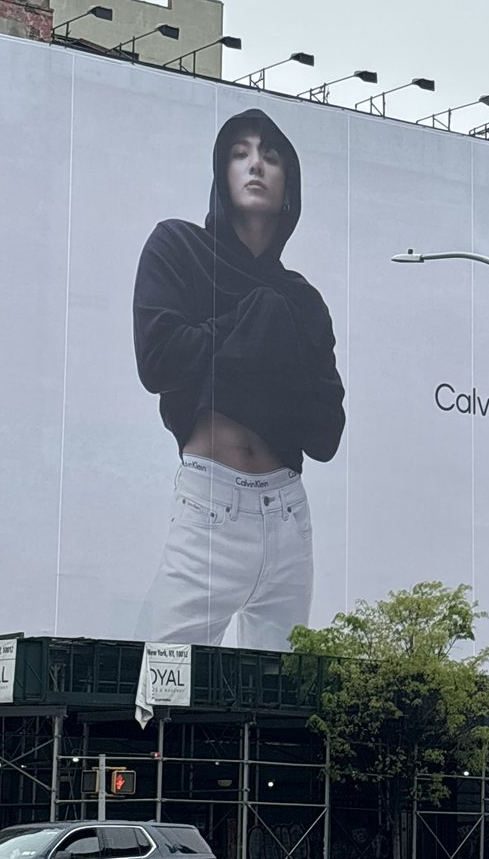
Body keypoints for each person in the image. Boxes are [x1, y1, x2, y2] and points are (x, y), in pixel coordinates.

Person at [133, 107, 345, 649]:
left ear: (288, 183)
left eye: (271, 155)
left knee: (279, 694)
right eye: (240, 152)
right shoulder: (177, 247)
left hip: (289, 512)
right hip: (210, 505)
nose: (256, 164)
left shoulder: (303, 299)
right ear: (221, 173)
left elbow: (326, 431)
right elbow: (158, 360)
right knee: (157, 681)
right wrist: (252, 328)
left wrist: (239, 348)